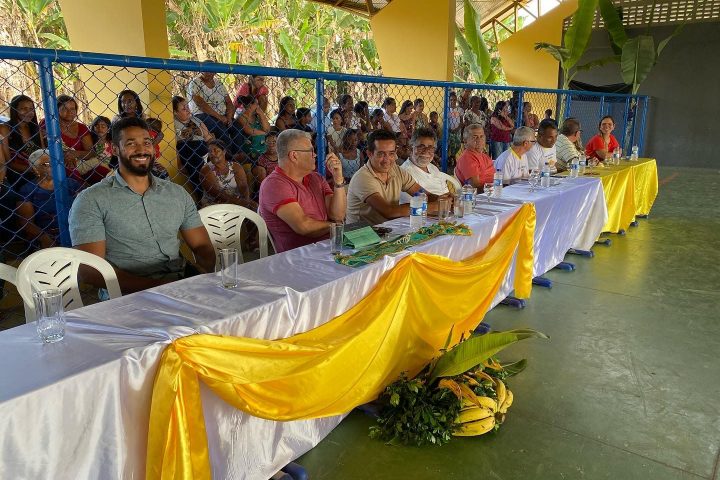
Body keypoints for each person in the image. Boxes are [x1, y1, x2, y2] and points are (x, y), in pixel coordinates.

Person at [69, 117, 215, 294]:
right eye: (131, 144)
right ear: (114, 149)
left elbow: (202, 246)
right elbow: (90, 271)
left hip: (181, 284)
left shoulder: (176, 193)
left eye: (147, 142)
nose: (141, 150)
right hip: (128, 296)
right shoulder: (91, 200)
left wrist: (202, 276)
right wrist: (162, 289)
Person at [258, 129, 346, 253]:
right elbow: (304, 227)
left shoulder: (316, 178)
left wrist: (338, 179)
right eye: (311, 151)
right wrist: (336, 226)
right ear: (294, 156)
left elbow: (337, 215)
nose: (315, 155)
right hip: (299, 257)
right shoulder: (274, 184)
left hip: (330, 248)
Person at [346, 129, 438, 225]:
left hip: (387, 229)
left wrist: (443, 199)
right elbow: (389, 212)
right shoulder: (362, 178)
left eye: (391, 153)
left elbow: (422, 195)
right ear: (370, 154)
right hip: (362, 232)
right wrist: (431, 207)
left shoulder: (397, 171)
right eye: (381, 154)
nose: (387, 160)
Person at [17, 149, 82, 249]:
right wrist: (44, 237)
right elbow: (26, 222)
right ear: (35, 169)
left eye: (54, 163)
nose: (52, 166)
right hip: (47, 234)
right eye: (46, 164)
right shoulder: (28, 190)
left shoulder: (71, 184)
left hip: (75, 229)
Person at [187, 70, 242, 155]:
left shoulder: (218, 83)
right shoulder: (195, 83)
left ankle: (237, 155)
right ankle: (228, 157)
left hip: (223, 115)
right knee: (221, 130)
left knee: (237, 128)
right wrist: (220, 117)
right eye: (207, 71)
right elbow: (201, 104)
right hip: (203, 115)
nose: (209, 73)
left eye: (211, 71)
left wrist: (229, 117)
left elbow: (229, 102)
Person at [0, 94, 45, 191]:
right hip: (18, 175)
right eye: (23, 109)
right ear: (14, 110)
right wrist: (32, 169)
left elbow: (43, 154)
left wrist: (43, 168)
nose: (29, 112)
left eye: (31, 109)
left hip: (40, 171)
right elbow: (8, 163)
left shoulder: (36, 129)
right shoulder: (5, 128)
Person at [173, 95, 213, 198]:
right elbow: (175, 146)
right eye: (183, 108)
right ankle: (202, 196)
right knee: (195, 163)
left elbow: (208, 137)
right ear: (175, 112)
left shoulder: (196, 120)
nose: (187, 109)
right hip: (186, 149)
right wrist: (179, 164)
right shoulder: (173, 123)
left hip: (202, 146)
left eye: (187, 106)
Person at [400, 127, 456, 201]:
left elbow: (445, 192)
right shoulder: (405, 173)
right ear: (411, 148)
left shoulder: (433, 168)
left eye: (430, 148)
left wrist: (450, 198)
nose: (426, 151)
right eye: (421, 147)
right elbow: (413, 204)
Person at [199, 140, 256, 209]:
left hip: (237, 202)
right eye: (210, 151)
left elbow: (243, 186)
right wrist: (239, 202)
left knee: (255, 206)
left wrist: (246, 200)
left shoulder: (235, 166)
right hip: (215, 204)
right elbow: (217, 193)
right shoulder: (206, 169)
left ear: (224, 152)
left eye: (216, 150)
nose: (212, 154)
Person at [455, 124, 495, 188]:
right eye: (474, 137)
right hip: (483, 193)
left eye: (481, 136)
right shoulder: (467, 158)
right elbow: (475, 186)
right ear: (465, 141)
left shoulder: (484, 156)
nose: (479, 140)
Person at [236, 95, 271, 162]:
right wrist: (264, 133)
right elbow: (249, 131)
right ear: (250, 106)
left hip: (263, 150)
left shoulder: (257, 116)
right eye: (256, 104)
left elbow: (267, 129)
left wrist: (261, 114)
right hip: (249, 151)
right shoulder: (241, 118)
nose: (258, 106)